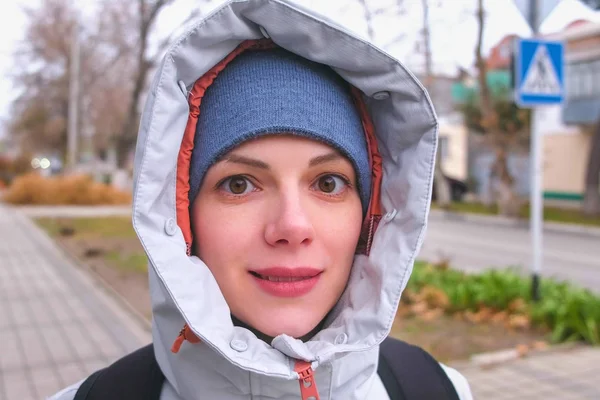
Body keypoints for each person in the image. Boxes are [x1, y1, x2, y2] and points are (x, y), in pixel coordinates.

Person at [50, 1, 473, 399]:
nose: (292, 227)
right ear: (180, 218)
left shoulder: (438, 389)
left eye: (328, 183)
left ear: (370, 215)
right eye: (239, 185)